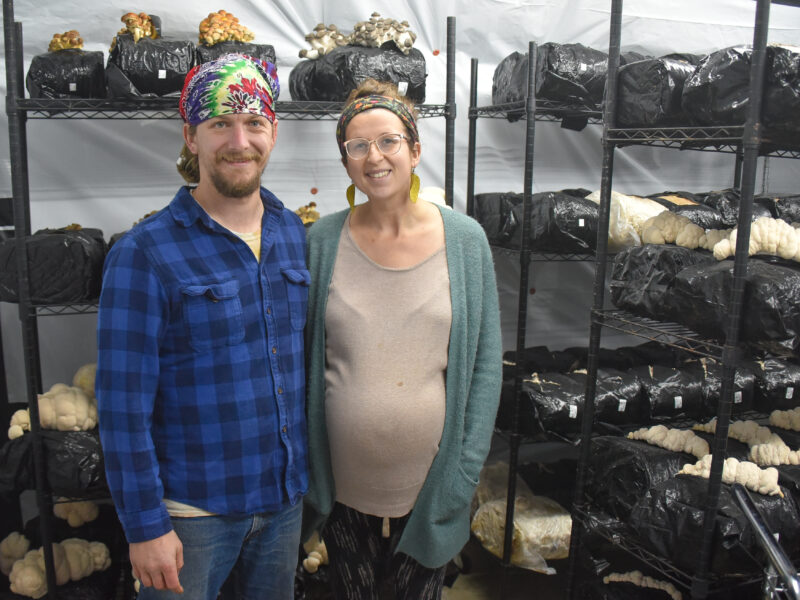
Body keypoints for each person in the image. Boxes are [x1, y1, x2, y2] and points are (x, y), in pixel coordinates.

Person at [96, 54, 309, 599]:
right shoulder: (143, 252)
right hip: (191, 517)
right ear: (191, 136)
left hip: (283, 504)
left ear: (273, 132)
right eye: (220, 124)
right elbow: (122, 405)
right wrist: (145, 527)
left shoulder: (292, 233)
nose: (240, 140)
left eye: (254, 122)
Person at [303, 79, 503, 600]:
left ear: (415, 149)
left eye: (389, 141)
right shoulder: (320, 242)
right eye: (358, 146)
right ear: (345, 161)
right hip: (341, 491)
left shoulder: (465, 241)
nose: (375, 157)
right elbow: (303, 358)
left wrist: (461, 476)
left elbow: (484, 365)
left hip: (430, 492)